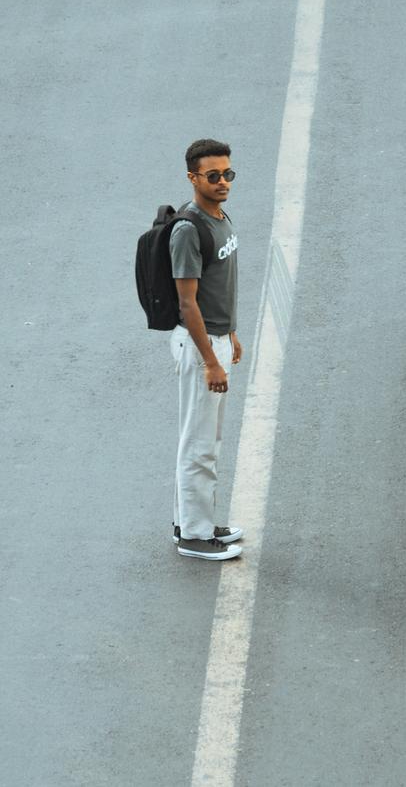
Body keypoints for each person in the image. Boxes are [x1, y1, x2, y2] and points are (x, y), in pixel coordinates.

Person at [170, 138, 245, 561]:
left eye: (227, 174)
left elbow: (221, 284)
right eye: (212, 175)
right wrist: (211, 361)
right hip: (200, 347)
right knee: (198, 444)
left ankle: (191, 519)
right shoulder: (189, 229)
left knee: (203, 440)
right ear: (193, 177)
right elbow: (188, 303)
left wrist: (231, 332)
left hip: (217, 339)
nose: (222, 182)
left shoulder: (219, 215)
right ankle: (194, 537)